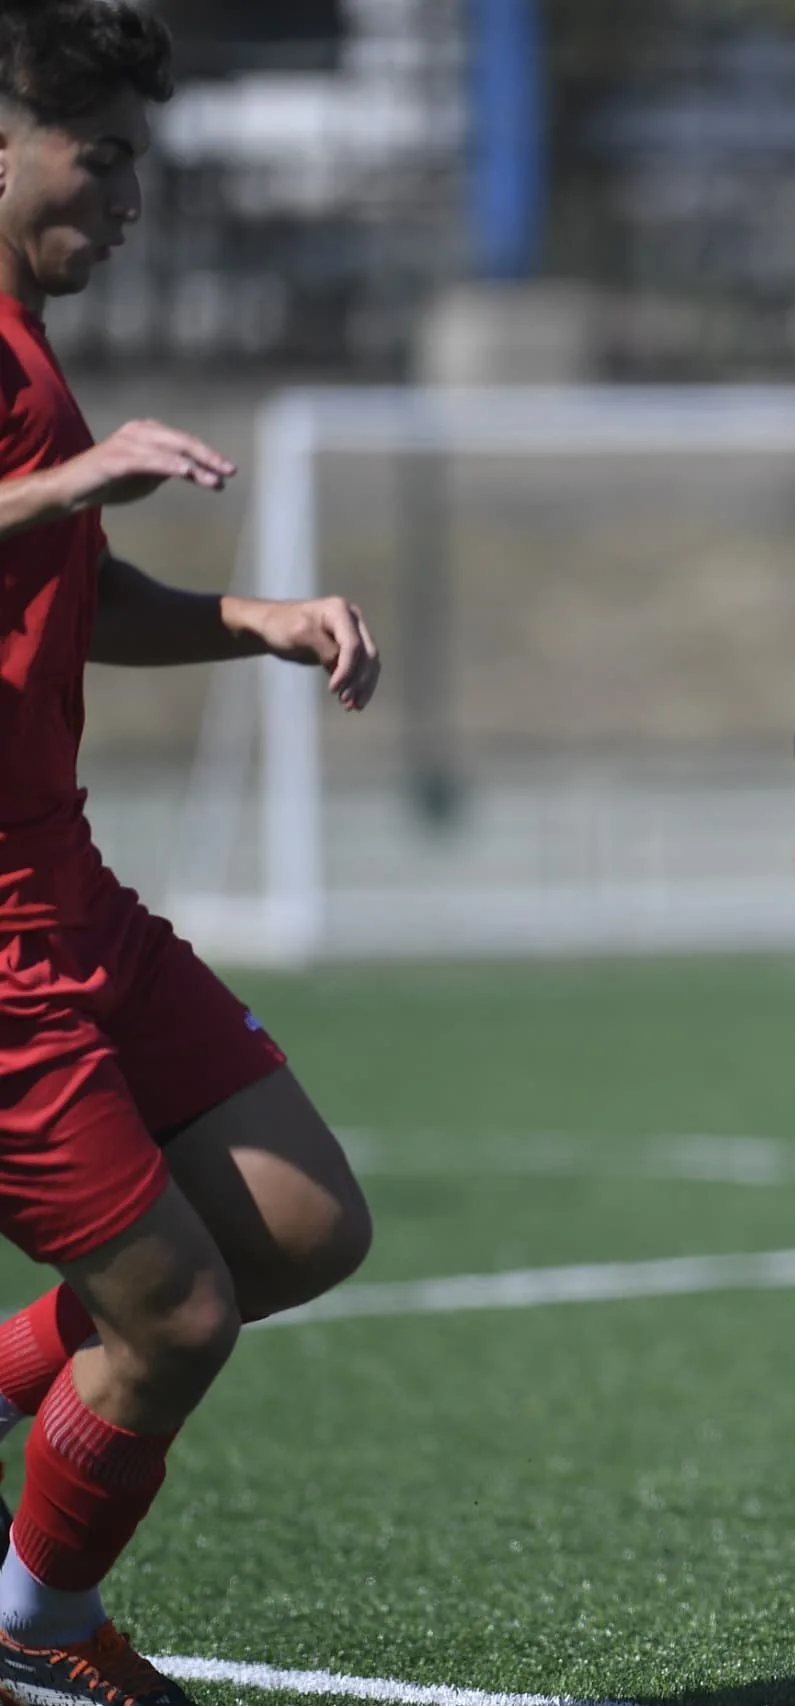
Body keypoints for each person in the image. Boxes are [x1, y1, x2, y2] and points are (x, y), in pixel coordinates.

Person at [0, 5, 383, 1699]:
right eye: (104, 158)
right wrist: (70, 476)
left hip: (62, 880)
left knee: (300, 1226)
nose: (133, 196)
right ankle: (36, 1632)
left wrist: (257, 617)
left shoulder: (27, 350)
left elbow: (64, 594)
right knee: (176, 1317)